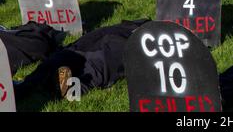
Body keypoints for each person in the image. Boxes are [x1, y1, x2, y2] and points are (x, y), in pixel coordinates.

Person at [14, 20, 148, 100]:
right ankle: (24, 86)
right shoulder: (143, 25)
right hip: (93, 42)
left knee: (98, 65)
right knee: (61, 57)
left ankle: (70, 87)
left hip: (120, 46)